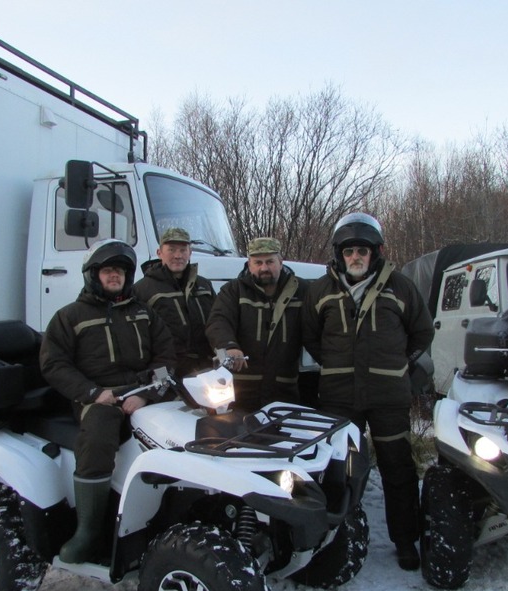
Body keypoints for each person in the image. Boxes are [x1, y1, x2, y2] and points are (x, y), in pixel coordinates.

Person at [303, 213, 434, 571]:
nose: (355, 257)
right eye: (349, 251)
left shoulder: (401, 287)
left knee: (398, 468)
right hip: (339, 397)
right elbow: (310, 337)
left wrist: (399, 364)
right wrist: (335, 364)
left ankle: (406, 540)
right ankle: (336, 540)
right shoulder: (321, 290)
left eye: (362, 250)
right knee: (339, 470)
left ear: (375, 252)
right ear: (339, 254)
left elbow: (423, 333)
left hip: (388, 396)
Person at [39, 239, 176, 563]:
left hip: (142, 392)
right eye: (108, 270)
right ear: (93, 274)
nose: (115, 276)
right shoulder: (70, 316)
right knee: (100, 430)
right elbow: (53, 364)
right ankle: (88, 530)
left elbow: (166, 357)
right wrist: (92, 393)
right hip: (98, 395)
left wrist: (146, 394)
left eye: (120, 271)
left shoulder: (145, 313)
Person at [205, 237, 307, 412]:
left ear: (281, 262)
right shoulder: (233, 290)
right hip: (241, 391)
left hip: (284, 391)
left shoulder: (302, 291)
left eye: (270, 261)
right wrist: (229, 346)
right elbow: (218, 321)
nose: (264, 268)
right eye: (258, 262)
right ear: (249, 264)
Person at [133, 227, 216, 378]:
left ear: (190, 253)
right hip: (170, 373)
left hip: (207, 370)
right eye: (171, 250)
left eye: (183, 250)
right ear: (159, 253)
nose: (178, 255)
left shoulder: (204, 285)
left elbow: (218, 322)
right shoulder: (142, 290)